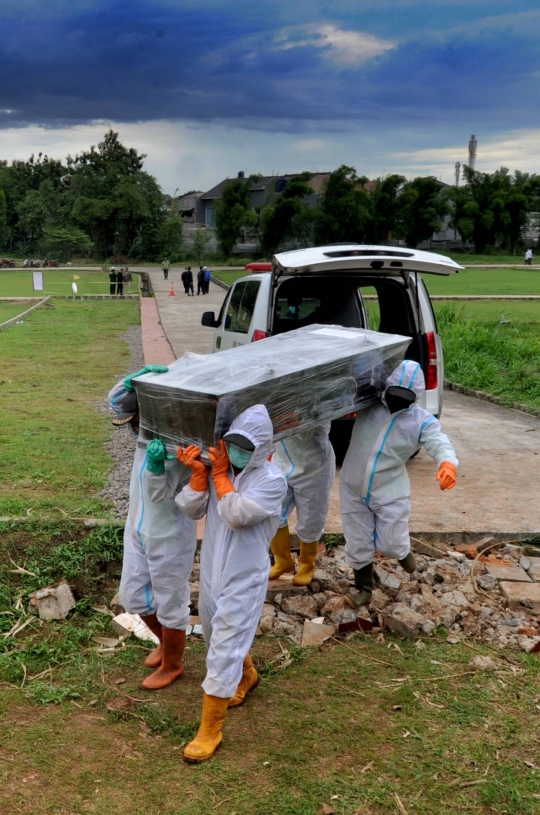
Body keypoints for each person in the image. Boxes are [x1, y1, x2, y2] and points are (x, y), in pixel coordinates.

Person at [176, 405, 287, 763]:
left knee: (224, 646)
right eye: (233, 443)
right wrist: (197, 475)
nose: (238, 451)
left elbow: (238, 515)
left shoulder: (271, 479)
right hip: (210, 569)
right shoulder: (216, 467)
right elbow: (192, 511)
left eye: (246, 446)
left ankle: (210, 730)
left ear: (262, 447)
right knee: (214, 635)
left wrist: (221, 478)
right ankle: (248, 674)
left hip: (244, 574)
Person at [340, 359, 459, 607]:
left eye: (405, 396)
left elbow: (439, 441)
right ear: (387, 388)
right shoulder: (369, 405)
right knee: (357, 538)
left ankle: (402, 551)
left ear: (415, 396)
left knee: (391, 544)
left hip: (389, 490)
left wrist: (447, 463)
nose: (398, 399)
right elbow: (342, 400)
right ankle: (363, 585)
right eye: (395, 393)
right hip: (352, 485)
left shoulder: (421, 421)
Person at [108, 365, 198, 689]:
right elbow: (117, 403)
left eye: (137, 422)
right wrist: (133, 378)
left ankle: (173, 664)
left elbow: (165, 495)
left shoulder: (184, 447)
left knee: (171, 603)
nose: (134, 426)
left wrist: (160, 467)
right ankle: (164, 642)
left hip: (169, 536)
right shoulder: (147, 436)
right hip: (138, 527)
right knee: (133, 595)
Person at [269, 424, 336, 586]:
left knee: (311, 518)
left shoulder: (317, 398)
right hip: (282, 460)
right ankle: (283, 561)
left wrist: (296, 417)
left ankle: (307, 565)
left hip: (313, 465)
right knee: (272, 511)